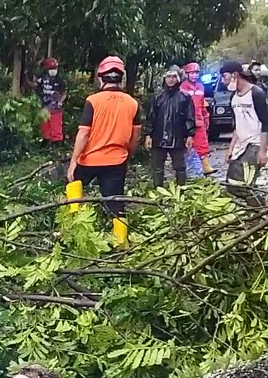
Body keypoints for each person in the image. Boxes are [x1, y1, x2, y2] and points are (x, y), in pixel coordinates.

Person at [67, 56, 140, 245]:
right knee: (116, 203)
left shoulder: (93, 101)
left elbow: (83, 134)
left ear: (101, 78)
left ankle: (73, 225)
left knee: (74, 184)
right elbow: (135, 136)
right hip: (116, 160)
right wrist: (128, 154)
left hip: (89, 160)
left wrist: (74, 160)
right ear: (121, 78)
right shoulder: (132, 103)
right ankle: (120, 244)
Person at [220, 60, 268, 187]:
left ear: (235, 75)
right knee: (232, 184)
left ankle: (267, 206)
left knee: (243, 184)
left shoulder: (256, 93)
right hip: (241, 145)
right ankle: (264, 206)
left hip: (255, 144)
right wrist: (231, 148)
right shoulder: (234, 97)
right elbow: (237, 126)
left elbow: (265, 123)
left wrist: (263, 151)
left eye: (224, 76)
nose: (223, 81)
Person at [143, 65, 196, 187]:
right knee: (157, 167)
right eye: (168, 77)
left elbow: (189, 117)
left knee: (180, 167)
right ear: (164, 78)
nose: (171, 80)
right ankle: (158, 191)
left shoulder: (185, 97)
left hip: (177, 137)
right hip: (158, 136)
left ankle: (181, 190)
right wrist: (148, 135)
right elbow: (151, 117)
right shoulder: (157, 97)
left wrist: (190, 135)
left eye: (173, 77)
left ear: (178, 78)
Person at [180, 62, 215, 176]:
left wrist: (206, 118)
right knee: (186, 145)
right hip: (186, 122)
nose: (195, 75)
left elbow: (202, 103)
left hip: (199, 120)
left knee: (202, 143)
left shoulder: (200, 87)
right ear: (187, 74)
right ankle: (186, 169)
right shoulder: (182, 88)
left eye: (196, 73)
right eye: (192, 73)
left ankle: (206, 166)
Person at [35, 57, 67, 145]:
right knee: (45, 127)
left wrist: (60, 101)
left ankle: (57, 145)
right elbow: (35, 85)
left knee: (56, 127)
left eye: (55, 68)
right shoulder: (42, 78)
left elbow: (64, 93)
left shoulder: (59, 80)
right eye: (51, 69)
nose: (53, 70)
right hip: (44, 107)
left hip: (56, 108)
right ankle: (46, 143)